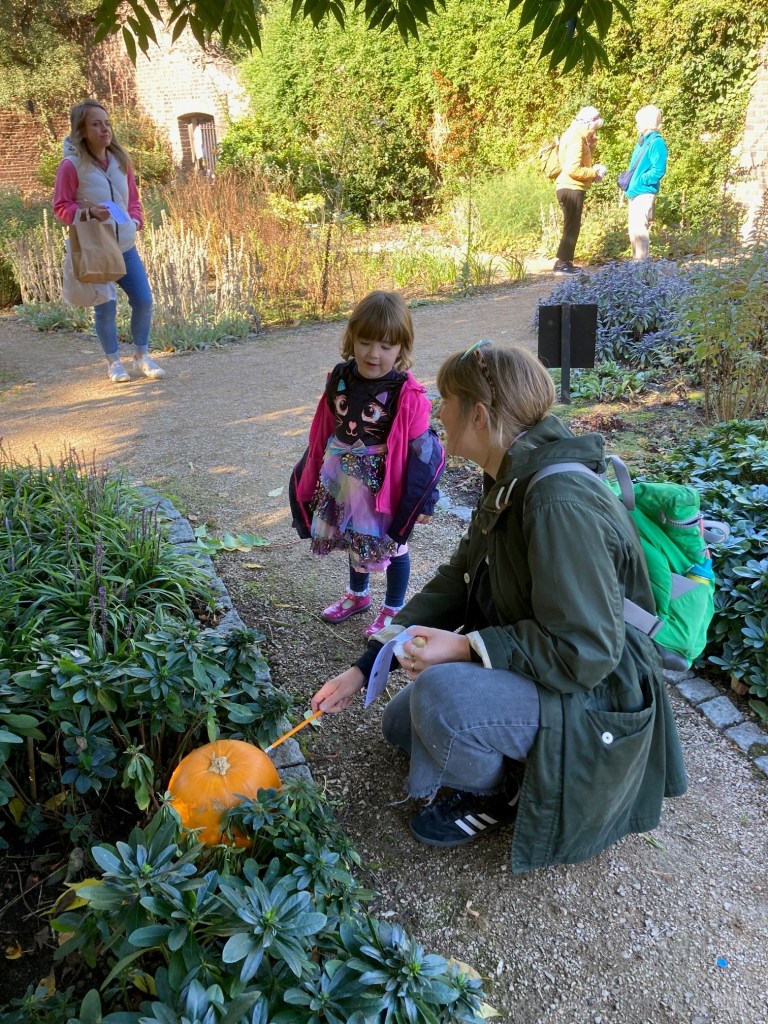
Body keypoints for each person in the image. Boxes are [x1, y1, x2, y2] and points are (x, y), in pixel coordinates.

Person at [310, 341, 687, 873]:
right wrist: (369, 662)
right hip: (554, 672)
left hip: (596, 692)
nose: (437, 412)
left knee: (440, 699)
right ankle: (502, 758)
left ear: (480, 414)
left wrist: (467, 647)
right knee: (403, 724)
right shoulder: (508, 477)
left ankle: (504, 796)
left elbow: (588, 649)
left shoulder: (557, 500)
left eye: (446, 400)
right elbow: (455, 583)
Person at [290, 291, 445, 637]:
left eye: (386, 346)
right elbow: (325, 428)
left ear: (402, 349)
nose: (374, 354)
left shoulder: (406, 392)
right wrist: (311, 474)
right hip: (344, 477)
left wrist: (426, 500)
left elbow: (425, 451)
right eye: (365, 342)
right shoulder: (341, 378)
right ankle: (358, 595)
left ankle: (394, 608)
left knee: (394, 545)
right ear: (351, 339)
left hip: (384, 487)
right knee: (352, 537)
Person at [53, 99, 164, 384]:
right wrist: (88, 212)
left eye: (106, 123)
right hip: (96, 248)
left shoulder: (121, 161)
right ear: (82, 130)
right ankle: (114, 362)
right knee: (105, 307)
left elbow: (134, 201)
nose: (104, 129)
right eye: (96, 124)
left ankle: (142, 356)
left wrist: (136, 220)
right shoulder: (71, 166)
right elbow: (61, 208)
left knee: (143, 300)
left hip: (125, 246)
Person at [553, 106, 607, 275]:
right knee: (572, 226)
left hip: (567, 186)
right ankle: (563, 264)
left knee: (571, 225)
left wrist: (590, 147)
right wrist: (594, 173)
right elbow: (573, 169)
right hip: (571, 187)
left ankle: (564, 262)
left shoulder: (574, 135)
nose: (593, 131)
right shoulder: (576, 138)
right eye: (593, 127)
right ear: (586, 123)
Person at [624, 105, 668, 260]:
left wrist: (642, 180)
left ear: (647, 122)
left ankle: (642, 267)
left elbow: (658, 170)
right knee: (634, 231)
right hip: (635, 191)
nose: (637, 125)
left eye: (639, 122)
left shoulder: (657, 142)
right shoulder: (642, 142)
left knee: (640, 230)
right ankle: (636, 265)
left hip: (644, 191)